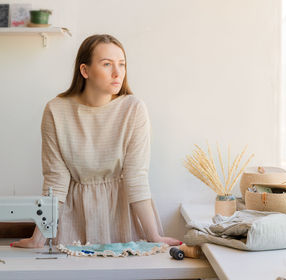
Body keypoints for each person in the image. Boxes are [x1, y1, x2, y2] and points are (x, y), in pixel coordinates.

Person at [11, 34, 181, 248]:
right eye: (107, 64)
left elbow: (136, 177)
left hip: (121, 217)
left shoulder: (133, 109)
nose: (117, 73)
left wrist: (154, 236)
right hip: (74, 220)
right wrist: (39, 238)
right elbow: (55, 181)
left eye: (122, 64)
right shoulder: (56, 110)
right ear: (85, 70)